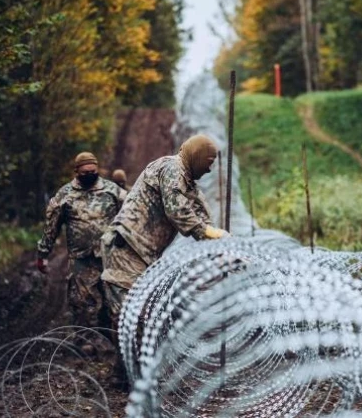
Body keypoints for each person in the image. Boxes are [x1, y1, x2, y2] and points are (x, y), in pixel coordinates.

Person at [100, 135, 228, 329]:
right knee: (133, 321)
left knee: (143, 319)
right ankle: (118, 354)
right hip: (126, 248)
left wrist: (224, 246)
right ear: (197, 156)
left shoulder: (188, 183)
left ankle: (129, 354)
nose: (209, 169)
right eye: (208, 162)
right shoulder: (172, 168)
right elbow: (177, 211)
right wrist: (208, 232)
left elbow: (202, 215)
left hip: (143, 255)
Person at [36, 152, 127, 328]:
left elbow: (131, 214)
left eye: (93, 171)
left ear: (97, 169)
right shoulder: (65, 195)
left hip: (110, 256)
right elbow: (51, 226)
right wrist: (43, 254)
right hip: (81, 260)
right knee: (84, 303)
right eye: (85, 172)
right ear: (77, 171)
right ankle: (86, 342)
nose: (89, 175)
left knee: (113, 302)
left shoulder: (112, 190)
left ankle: (109, 338)